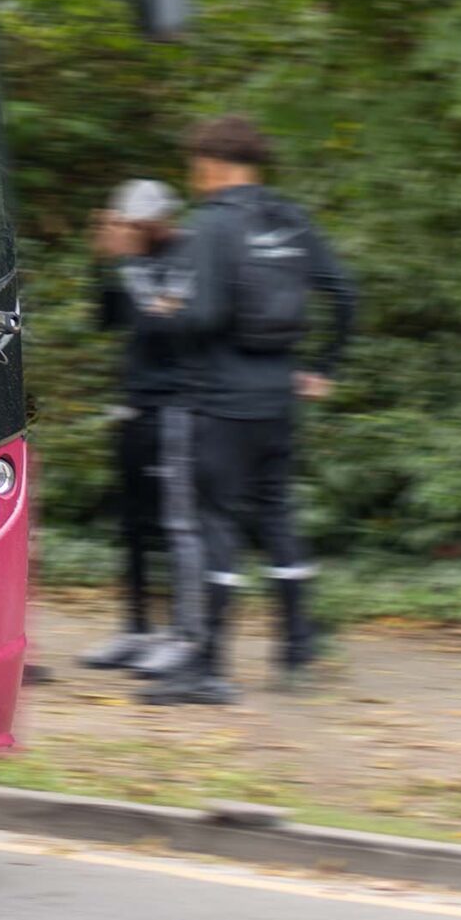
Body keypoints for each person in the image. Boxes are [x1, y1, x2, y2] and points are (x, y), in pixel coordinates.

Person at [134, 115, 356, 705]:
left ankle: (207, 666)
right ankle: (297, 650)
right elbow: (343, 293)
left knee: (218, 524)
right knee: (278, 514)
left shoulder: (211, 225)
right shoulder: (289, 217)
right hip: (279, 393)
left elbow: (203, 316)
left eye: (194, 164)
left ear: (209, 163)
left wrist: (164, 314)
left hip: (223, 399)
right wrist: (324, 367)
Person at [79, 178, 185, 670]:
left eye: (133, 225)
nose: (126, 231)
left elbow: (169, 329)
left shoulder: (186, 258)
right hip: (135, 408)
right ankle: (137, 629)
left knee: (175, 527)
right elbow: (106, 320)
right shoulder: (132, 260)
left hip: (177, 410)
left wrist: (155, 307)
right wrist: (103, 262)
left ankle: (182, 633)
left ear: (156, 221)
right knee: (134, 527)